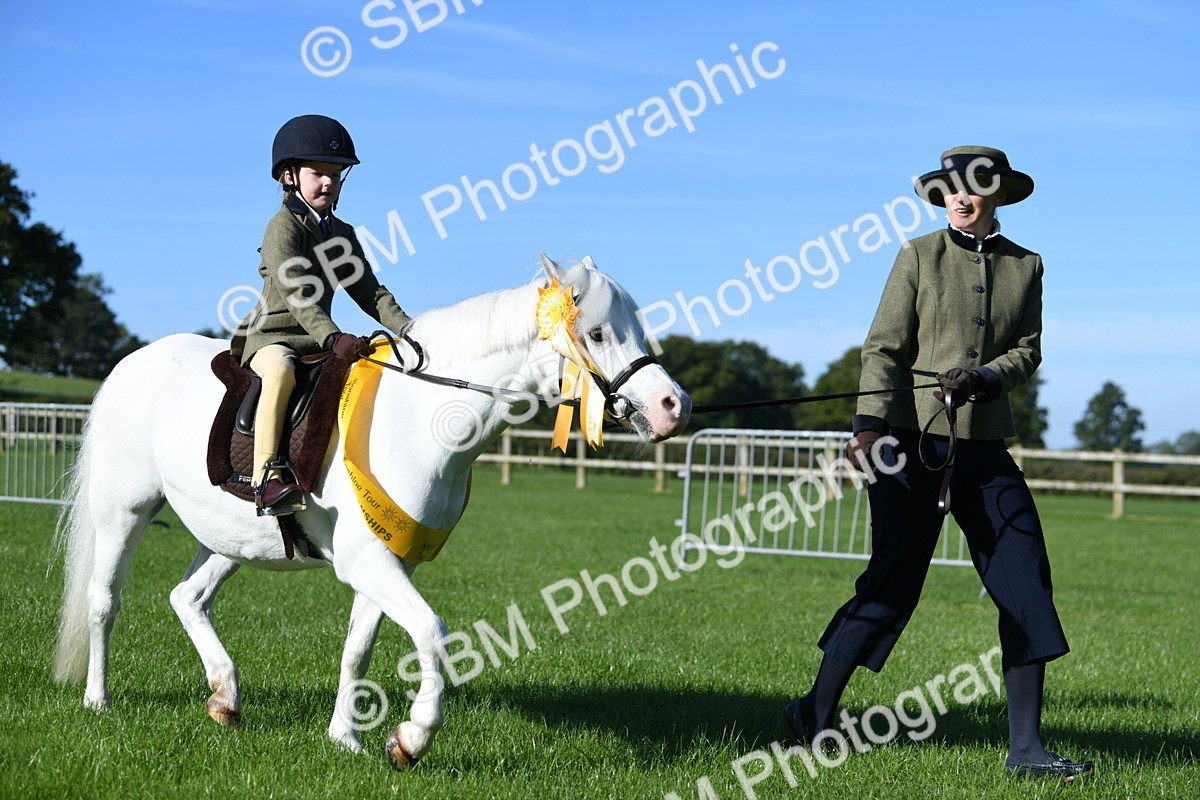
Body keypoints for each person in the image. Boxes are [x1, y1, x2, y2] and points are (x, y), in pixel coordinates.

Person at [782, 146, 1093, 781]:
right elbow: (884, 348)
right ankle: (813, 713)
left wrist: (984, 375)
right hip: (906, 444)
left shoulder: (1026, 266)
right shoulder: (918, 256)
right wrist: (868, 427)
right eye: (950, 186)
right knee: (894, 582)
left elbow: (1028, 351)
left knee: (1026, 580)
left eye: (974, 186)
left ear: (997, 193)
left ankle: (1027, 751)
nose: (960, 195)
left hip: (985, 451)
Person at [231, 114, 412, 514]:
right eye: (318, 173)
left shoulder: (341, 234)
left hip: (319, 339)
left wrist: (411, 329)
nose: (328, 182)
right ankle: (266, 478)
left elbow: (370, 292)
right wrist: (333, 336)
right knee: (281, 370)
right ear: (289, 176)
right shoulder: (282, 227)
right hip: (272, 338)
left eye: (335, 174)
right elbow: (296, 293)